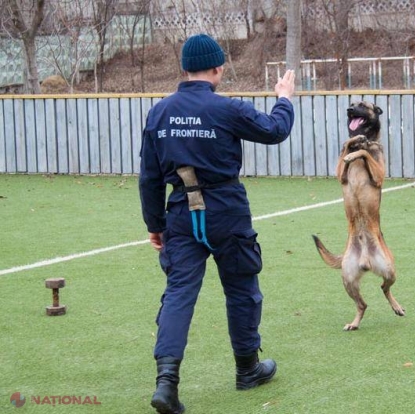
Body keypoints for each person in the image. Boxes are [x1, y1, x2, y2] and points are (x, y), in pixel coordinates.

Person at [139, 33, 295, 414]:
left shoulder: (159, 112)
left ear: (183, 68)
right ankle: (247, 369)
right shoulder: (226, 109)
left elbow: (149, 178)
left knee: (178, 294)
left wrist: (154, 224)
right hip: (226, 210)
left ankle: (167, 383)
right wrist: (285, 97)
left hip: (180, 213)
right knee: (241, 288)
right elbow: (275, 130)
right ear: (218, 69)